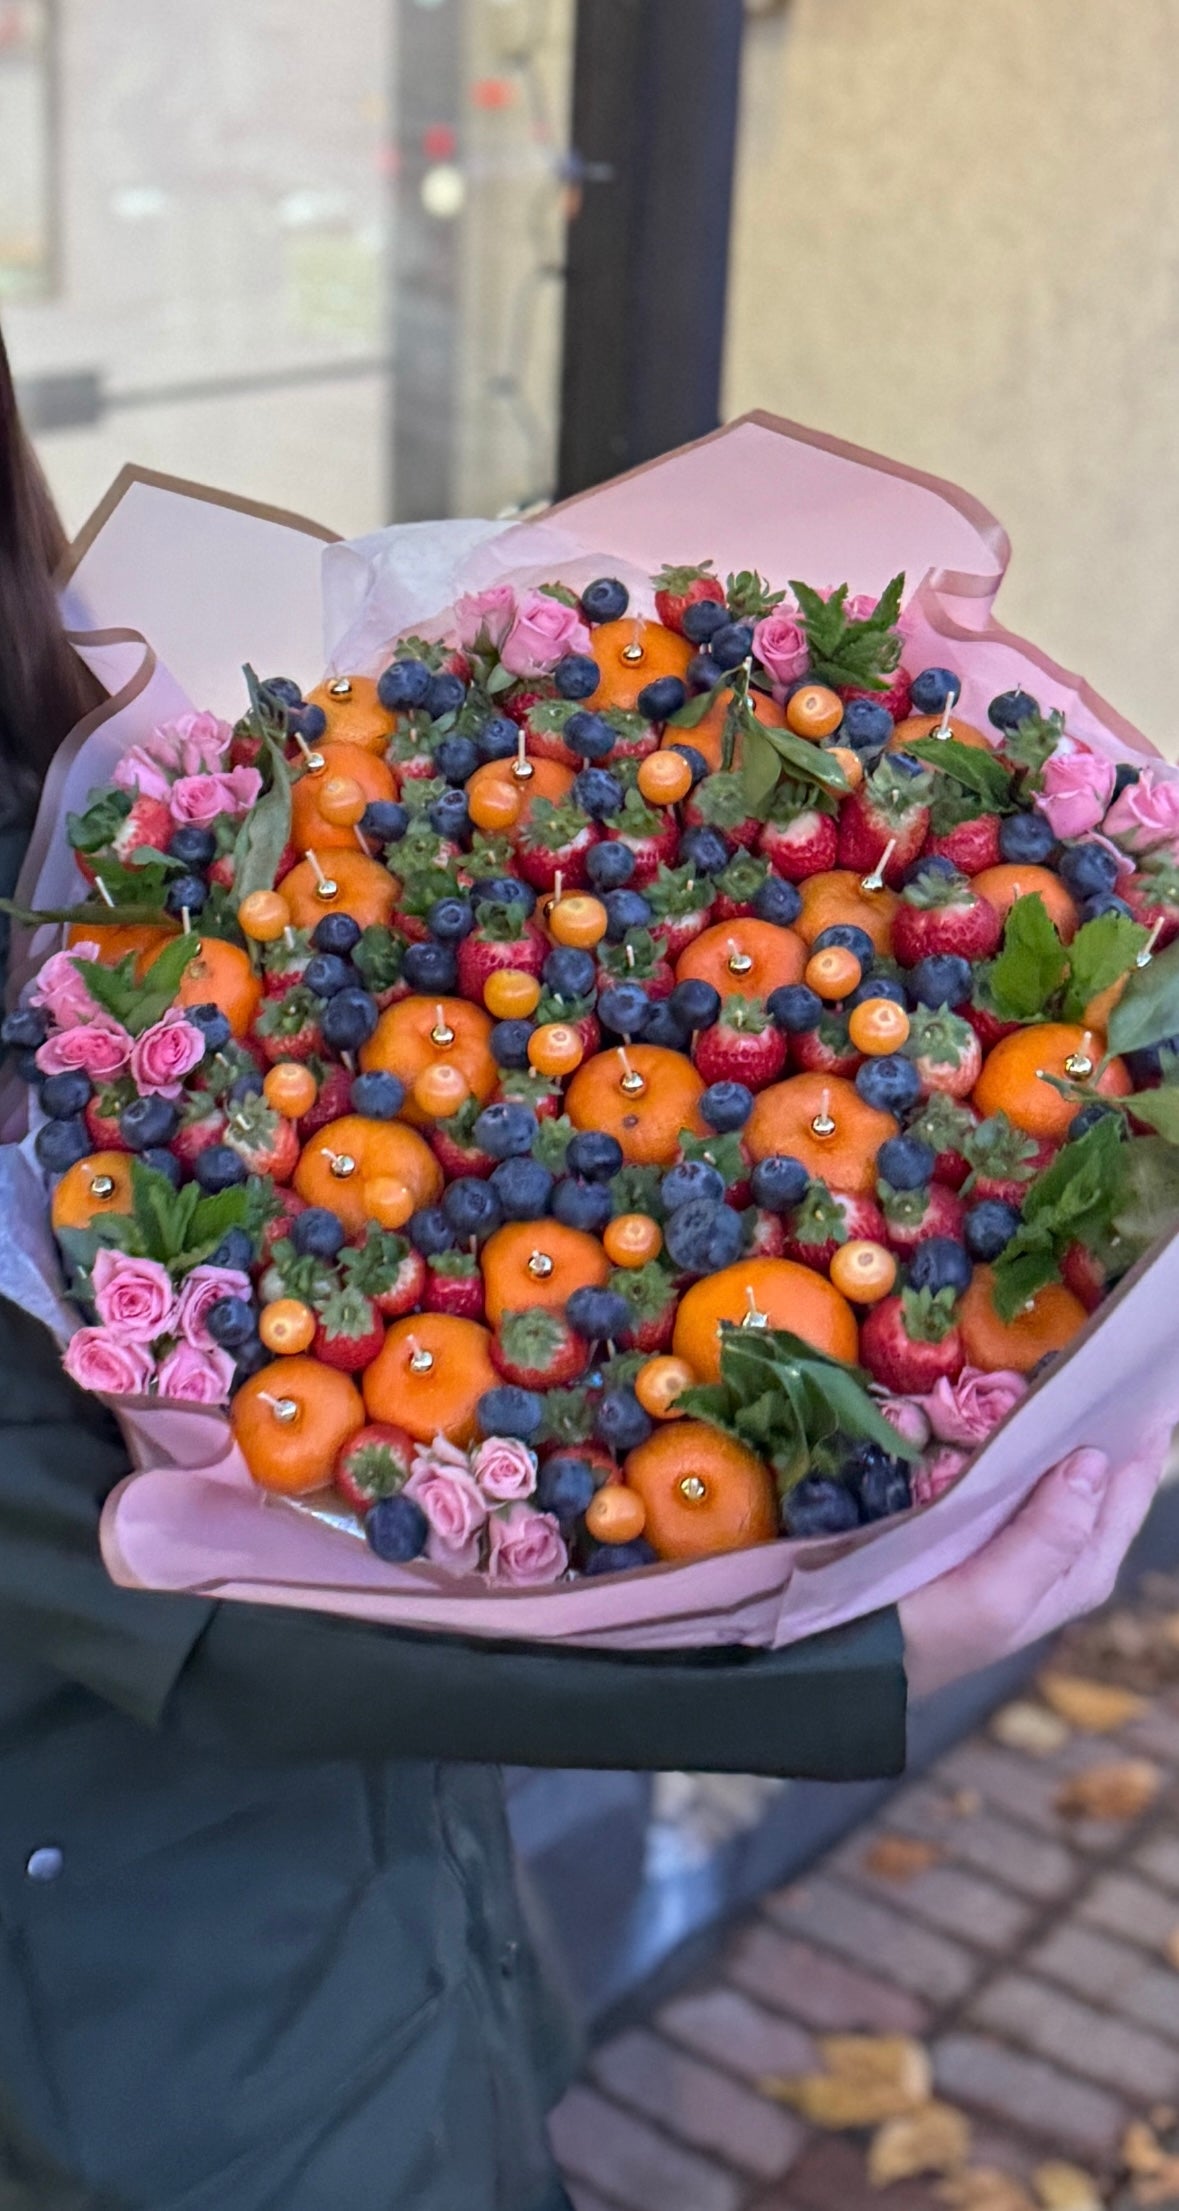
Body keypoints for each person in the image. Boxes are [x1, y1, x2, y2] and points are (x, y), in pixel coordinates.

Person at [0, 336, 1172, 2211]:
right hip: (159, 2053)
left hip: (415, 1909)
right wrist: (870, 1665)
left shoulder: (97, 794)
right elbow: (192, 1630)